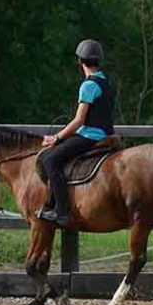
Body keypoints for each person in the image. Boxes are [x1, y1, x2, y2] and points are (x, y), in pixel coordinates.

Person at [37, 39, 116, 227]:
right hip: (107, 135)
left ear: (80, 61)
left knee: (49, 160)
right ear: (99, 60)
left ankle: (61, 211)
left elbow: (79, 121)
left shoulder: (88, 86)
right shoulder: (108, 82)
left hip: (89, 137)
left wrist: (56, 138)